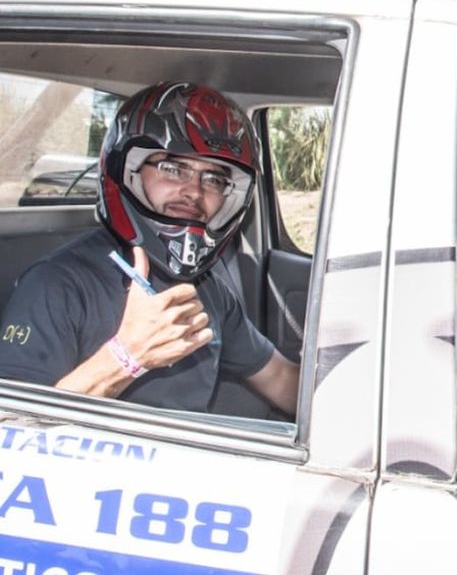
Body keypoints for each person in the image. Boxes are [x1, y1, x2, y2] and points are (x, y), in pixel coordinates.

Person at [0, 82, 299, 416]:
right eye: (173, 168)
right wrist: (126, 356)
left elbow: (280, 377)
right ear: (128, 172)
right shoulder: (57, 283)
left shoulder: (208, 287)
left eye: (214, 179)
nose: (194, 192)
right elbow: (10, 426)